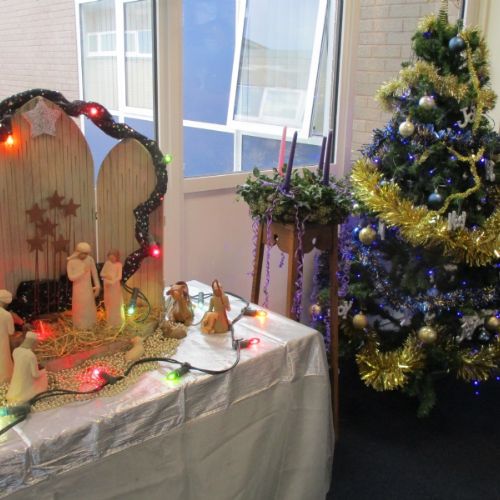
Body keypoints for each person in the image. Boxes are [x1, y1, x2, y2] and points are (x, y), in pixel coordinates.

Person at [6, 331, 48, 404]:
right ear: (33, 343)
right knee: (44, 375)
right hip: (26, 386)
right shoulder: (30, 355)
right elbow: (35, 375)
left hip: (16, 382)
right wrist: (43, 371)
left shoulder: (15, 351)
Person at [67, 242, 100, 329]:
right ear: (78, 252)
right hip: (78, 289)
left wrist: (97, 285)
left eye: (86, 254)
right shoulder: (71, 262)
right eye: (83, 253)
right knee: (79, 307)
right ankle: (80, 325)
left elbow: (94, 273)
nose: (85, 255)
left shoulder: (90, 259)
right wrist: (82, 272)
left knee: (88, 306)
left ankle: (90, 324)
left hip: (88, 288)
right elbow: (71, 277)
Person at [100, 249, 124, 327]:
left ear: (117, 257)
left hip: (114, 286)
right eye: (110, 258)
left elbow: (119, 276)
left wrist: (113, 281)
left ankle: (117, 320)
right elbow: (102, 273)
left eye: (113, 258)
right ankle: (110, 320)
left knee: (115, 302)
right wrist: (107, 276)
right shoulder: (107, 263)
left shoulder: (119, 265)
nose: (111, 260)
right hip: (107, 285)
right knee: (108, 302)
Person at [0, 289, 15, 384]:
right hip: (2, 341)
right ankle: (4, 379)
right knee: (3, 358)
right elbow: (11, 331)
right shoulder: (6, 315)